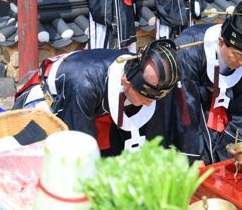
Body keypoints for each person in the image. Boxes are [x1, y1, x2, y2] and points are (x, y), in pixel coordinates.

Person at [13, 40, 180, 156]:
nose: (149, 102)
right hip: (51, 105)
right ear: (126, 80)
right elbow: (80, 144)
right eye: (145, 97)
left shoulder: (138, 68)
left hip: (97, 105)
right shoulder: (84, 85)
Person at [159, 0, 242, 165]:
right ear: (221, 40)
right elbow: (185, 107)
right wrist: (193, 156)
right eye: (238, 55)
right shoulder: (188, 50)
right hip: (192, 110)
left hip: (224, 113)